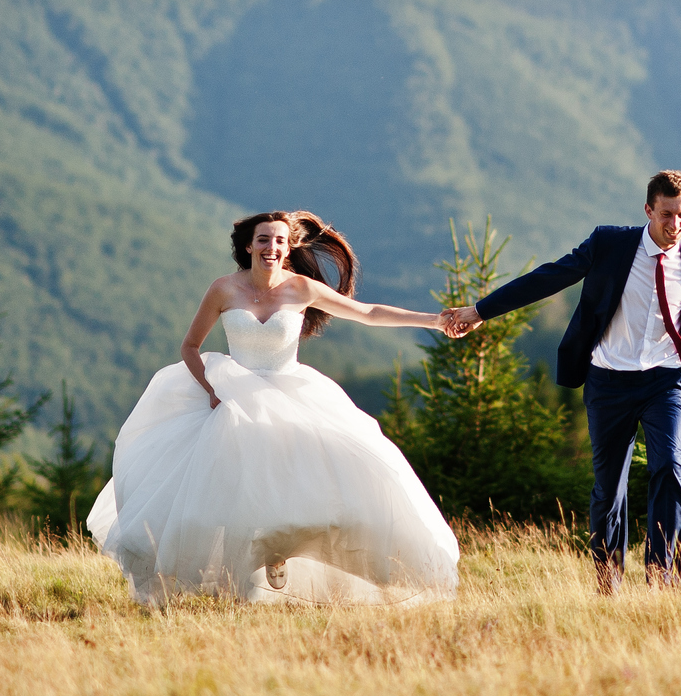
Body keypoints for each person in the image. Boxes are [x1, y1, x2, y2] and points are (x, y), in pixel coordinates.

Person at [443, 170, 681, 594]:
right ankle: (608, 580)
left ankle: (663, 577)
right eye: (667, 214)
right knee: (608, 488)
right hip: (608, 381)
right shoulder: (610, 245)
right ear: (648, 210)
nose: (676, 225)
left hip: (666, 383)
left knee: (669, 467)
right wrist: (482, 310)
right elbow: (548, 277)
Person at [87, 210, 460, 606]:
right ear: (249, 246)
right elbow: (190, 347)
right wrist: (211, 390)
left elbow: (367, 313)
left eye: (279, 241)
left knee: (339, 467)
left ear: (289, 247)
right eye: (264, 239)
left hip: (290, 390)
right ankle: (241, 572)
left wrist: (435, 321)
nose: (272, 248)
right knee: (226, 486)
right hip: (234, 393)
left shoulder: (302, 288)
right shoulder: (223, 289)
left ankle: (279, 550)